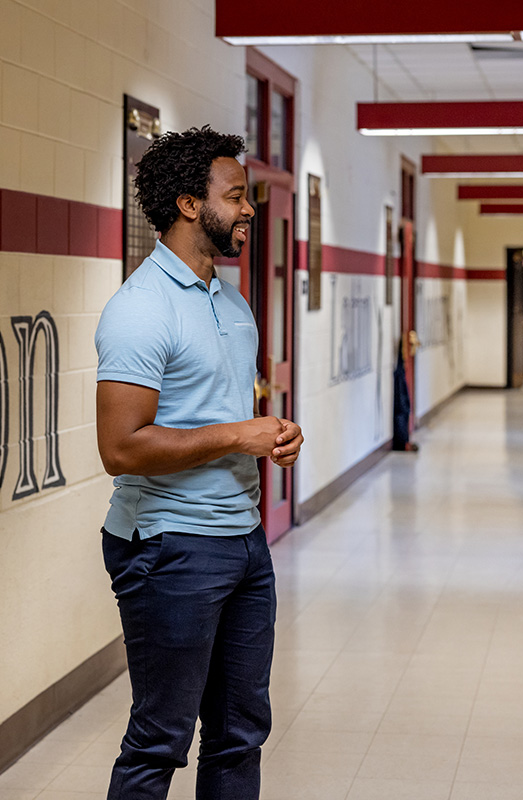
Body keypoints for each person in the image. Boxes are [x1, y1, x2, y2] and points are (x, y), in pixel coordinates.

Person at [95, 126, 303, 800]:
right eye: (236, 196)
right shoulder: (140, 308)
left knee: (242, 732)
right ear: (190, 205)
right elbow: (120, 447)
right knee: (160, 738)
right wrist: (234, 436)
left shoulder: (232, 302)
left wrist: (271, 437)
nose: (249, 209)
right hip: (169, 546)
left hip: (242, 540)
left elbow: (222, 419)